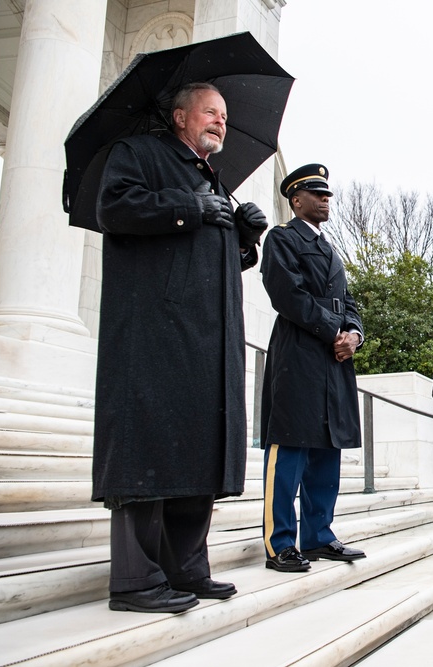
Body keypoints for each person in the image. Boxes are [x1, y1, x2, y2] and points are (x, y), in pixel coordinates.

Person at [93, 82, 266, 613]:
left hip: (207, 340)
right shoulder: (138, 154)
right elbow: (114, 209)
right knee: (149, 446)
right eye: (211, 112)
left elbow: (213, 260)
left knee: (197, 449)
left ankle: (186, 570)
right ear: (179, 116)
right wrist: (188, 207)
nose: (220, 121)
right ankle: (135, 581)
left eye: (224, 115)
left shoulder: (213, 179)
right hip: (154, 333)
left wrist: (243, 237)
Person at [259, 163, 367, 572]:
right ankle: (280, 543)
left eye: (328, 194)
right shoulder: (282, 239)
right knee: (289, 450)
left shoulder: (330, 248)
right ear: (295, 199)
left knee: (327, 450)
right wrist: (331, 332)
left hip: (334, 361)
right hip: (299, 356)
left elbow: (349, 303)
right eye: (316, 193)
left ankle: (319, 536)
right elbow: (287, 294)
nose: (326, 199)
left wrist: (353, 334)